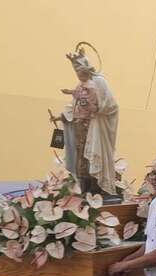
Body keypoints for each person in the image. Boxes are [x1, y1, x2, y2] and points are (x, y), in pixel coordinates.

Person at [52, 47, 118, 195]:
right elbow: (74, 106)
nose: (79, 76)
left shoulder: (99, 82)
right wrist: (61, 116)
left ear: (87, 71)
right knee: (80, 157)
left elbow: (111, 105)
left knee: (92, 157)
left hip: (94, 128)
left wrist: (96, 109)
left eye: (80, 72)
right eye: (76, 73)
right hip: (80, 127)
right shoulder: (80, 85)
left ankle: (95, 188)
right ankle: (83, 187)